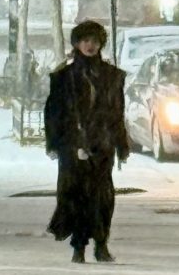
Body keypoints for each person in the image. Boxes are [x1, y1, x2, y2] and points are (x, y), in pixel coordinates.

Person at [44, 20, 130, 264]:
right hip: (72, 146)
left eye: (94, 41)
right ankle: (79, 245)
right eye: (85, 41)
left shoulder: (112, 76)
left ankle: (101, 244)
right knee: (76, 196)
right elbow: (54, 112)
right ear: (77, 44)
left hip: (102, 145)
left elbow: (117, 112)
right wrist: (54, 142)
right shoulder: (64, 77)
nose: (90, 45)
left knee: (102, 197)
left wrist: (121, 143)